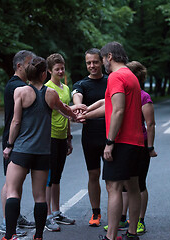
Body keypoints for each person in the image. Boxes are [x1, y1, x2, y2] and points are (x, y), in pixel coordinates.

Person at [2, 56, 77, 240]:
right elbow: (65, 110)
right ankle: (39, 236)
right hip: (43, 152)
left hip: (21, 150)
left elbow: (16, 121)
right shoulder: (51, 94)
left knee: (12, 191)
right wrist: (78, 113)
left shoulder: (20, 92)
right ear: (44, 74)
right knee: (40, 196)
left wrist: (9, 145)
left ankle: (10, 235)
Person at [79, 42, 144, 240]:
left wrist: (109, 141)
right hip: (136, 141)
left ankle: (111, 236)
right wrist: (85, 115)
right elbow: (110, 107)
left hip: (122, 141)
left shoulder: (116, 76)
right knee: (132, 187)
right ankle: (132, 233)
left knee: (114, 188)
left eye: (102, 59)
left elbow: (118, 110)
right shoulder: (131, 76)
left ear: (108, 57)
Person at [0, 50, 36, 237]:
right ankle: (7, 223)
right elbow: (17, 119)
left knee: (16, 182)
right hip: (12, 141)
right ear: (19, 66)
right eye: (30, 63)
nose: (33, 67)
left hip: (19, 141)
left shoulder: (20, 85)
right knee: (10, 182)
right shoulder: (16, 87)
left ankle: (15, 217)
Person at [120, 61, 158, 234]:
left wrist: (150, 147)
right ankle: (122, 219)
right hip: (125, 144)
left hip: (141, 145)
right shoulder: (123, 95)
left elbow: (150, 124)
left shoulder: (144, 97)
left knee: (139, 184)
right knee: (123, 185)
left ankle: (140, 221)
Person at [72, 48, 108, 227]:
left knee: (112, 178)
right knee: (93, 174)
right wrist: (78, 106)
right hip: (90, 138)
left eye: (95, 62)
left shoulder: (111, 81)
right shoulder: (82, 84)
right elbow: (76, 95)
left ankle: (121, 215)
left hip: (110, 136)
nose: (92, 66)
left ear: (101, 61)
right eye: (88, 63)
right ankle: (96, 213)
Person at [44, 53, 76, 232]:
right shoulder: (47, 88)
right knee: (49, 178)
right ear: (49, 70)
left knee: (57, 176)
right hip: (50, 136)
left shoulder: (65, 88)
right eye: (57, 69)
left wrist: (69, 138)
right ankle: (48, 215)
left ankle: (56, 211)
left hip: (62, 136)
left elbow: (67, 114)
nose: (60, 71)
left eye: (62, 68)